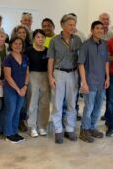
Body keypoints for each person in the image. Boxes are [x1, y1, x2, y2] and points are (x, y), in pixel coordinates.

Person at [47, 14, 82, 144]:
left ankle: (70, 128)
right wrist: (50, 77)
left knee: (72, 103)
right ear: (62, 25)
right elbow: (50, 59)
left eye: (74, 24)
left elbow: (81, 59)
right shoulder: (54, 41)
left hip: (73, 74)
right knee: (57, 103)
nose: (73, 27)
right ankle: (58, 130)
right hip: (59, 73)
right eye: (70, 25)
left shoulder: (77, 39)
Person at [78, 21, 110, 143]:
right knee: (89, 107)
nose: (100, 30)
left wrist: (108, 78)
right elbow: (81, 64)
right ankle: (84, 130)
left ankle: (92, 127)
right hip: (90, 82)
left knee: (98, 107)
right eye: (97, 28)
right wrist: (84, 83)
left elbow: (106, 62)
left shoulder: (104, 44)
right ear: (92, 30)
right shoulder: (86, 45)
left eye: (101, 28)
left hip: (101, 82)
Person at [3, 37, 29, 143]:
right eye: (15, 43)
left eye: (20, 44)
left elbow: (27, 73)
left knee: (17, 111)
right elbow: (8, 77)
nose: (18, 45)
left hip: (22, 89)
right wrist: (18, 89)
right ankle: (8, 134)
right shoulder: (8, 59)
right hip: (11, 89)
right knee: (11, 110)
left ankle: (14, 132)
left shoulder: (25, 57)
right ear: (11, 45)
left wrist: (25, 86)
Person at [25, 29, 50, 138]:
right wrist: (26, 80)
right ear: (34, 39)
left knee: (44, 103)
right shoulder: (28, 51)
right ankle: (32, 127)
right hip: (32, 76)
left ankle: (41, 126)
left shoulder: (48, 51)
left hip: (45, 76)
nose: (40, 39)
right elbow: (26, 66)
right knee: (32, 102)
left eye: (42, 37)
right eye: (38, 37)